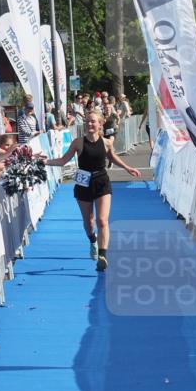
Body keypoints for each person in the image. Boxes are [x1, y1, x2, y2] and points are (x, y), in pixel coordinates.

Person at [44, 111, 141, 271]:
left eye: (93, 121)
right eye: (87, 121)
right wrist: (45, 162)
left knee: (102, 220)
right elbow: (63, 160)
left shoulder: (107, 142)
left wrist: (127, 168)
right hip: (83, 183)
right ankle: (92, 240)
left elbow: (112, 157)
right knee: (89, 222)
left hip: (101, 181)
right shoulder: (78, 143)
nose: (89, 124)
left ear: (100, 124)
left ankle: (102, 256)